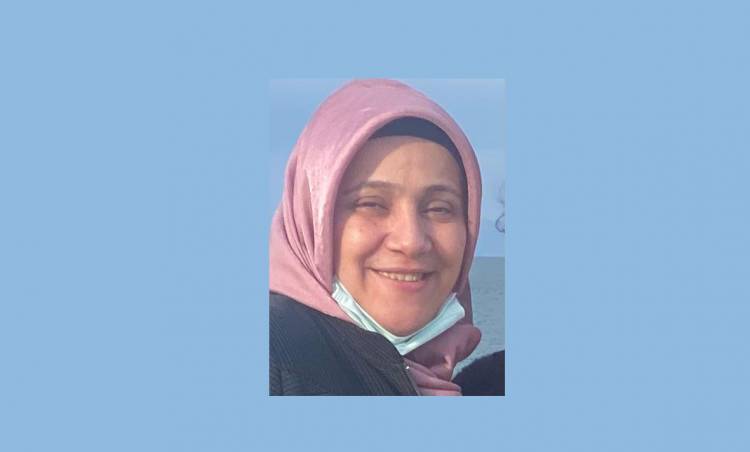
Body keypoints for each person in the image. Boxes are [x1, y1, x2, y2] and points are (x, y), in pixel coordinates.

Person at [269, 79, 491, 396]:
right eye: (371, 204)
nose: (411, 241)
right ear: (311, 217)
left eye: (440, 208)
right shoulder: (277, 359)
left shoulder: (470, 380)